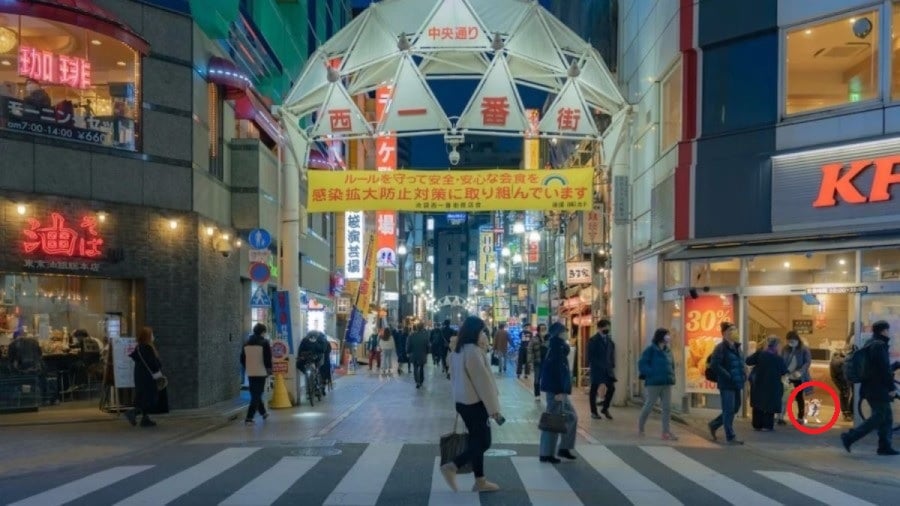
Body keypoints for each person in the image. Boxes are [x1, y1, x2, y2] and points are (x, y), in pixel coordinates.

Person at [441, 316, 502, 493]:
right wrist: (494, 409)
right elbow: (483, 383)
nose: (483, 334)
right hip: (475, 404)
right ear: (475, 331)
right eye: (482, 331)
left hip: (462, 402)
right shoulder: (473, 352)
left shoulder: (457, 350)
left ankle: (480, 481)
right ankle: (452, 466)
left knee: (476, 441)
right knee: (484, 442)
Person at [841, 320, 900, 455]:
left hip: (871, 387)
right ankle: (850, 437)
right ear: (884, 331)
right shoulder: (879, 346)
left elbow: (876, 368)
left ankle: (884, 446)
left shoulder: (871, 343)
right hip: (877, 389)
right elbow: (883, 370)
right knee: (878, 417)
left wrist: (895, 365)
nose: (889, 332)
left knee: (886, 418)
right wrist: (891, 388)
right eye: (888, 330)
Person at [539, 322, 578, 463]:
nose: (567, 333)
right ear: (559, 333)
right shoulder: (555, 347)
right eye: (564, 331)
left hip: (560, 390)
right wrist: (559, 391)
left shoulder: (560, 346)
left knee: (571, 417)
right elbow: (554, 371)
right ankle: (546, 453)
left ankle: (564, 448)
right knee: (553, 421)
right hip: (556, 390)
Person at [708, 322, 746, 444]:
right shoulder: (720, 348)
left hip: (737, 383)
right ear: (724, 333)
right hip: (726, 383)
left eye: (735, 329)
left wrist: (744, 374)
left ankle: (714, 424)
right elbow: (715, 364)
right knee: (729, 409)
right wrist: (728, 375)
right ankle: (730, 436)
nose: (734, 332)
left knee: (735, 408)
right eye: (731, 330)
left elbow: (740, 363)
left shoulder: (737, 347)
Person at [637, 328, 677, 439]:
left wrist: (672, 375)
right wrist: (651, 373)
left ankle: (666, 432)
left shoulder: (668, 351)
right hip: (653, 383)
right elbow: (642, 364)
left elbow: (672, 365)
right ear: (660, 336)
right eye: (666, 335)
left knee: (667, 407)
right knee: (649, 405)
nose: (668, 337)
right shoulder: (650, 350)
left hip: (666, 382)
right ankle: (641, 427)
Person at [746, 335, 788, 431]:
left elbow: (748, 361)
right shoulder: (778, 358)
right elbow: (784, 371)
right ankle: (767, 425)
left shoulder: (760, 354)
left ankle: (757, 424)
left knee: (758, 403)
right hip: (773, 385)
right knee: (770, 405)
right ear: (777, 345)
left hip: (758, 383)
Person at [125, 327, 162, 428]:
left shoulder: (138, 348)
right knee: (150, 398)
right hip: (148, 377)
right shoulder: (147, 348)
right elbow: (153, 363)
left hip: (140, 376)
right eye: (152, 334)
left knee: (143, 397)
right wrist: (159, 368)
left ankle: (145, 419)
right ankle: (133, 412)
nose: (153, 336)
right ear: (148, 336)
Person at [240, 323, 272, 426]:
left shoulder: (246, 343)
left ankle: (263, 413)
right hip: (261, 371)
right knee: (257, 394)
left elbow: (242, 358)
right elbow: (267, 358)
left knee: (255, 393)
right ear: (263, 332)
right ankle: (249, 417)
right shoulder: (264, 342)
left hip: (250, 371)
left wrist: (248, 366)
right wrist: (269, 370)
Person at [779, 330, 811, 425]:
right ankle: (780, 416)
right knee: (784, 397)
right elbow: (781, 360)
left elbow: (807, 362)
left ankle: (800, 417)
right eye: (789, 341)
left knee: (799, 397)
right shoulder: (785, 348)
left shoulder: (804, 349)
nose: (790, 343)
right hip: (787, 376)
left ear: (797, 339)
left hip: (798, 377)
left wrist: (801, 372)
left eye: (792, 340)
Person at [587, 319, 616, 420]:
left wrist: (612, 365)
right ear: (599, 328)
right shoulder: (593, 340)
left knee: (611, 388)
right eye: (605, 328)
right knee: (594, 390)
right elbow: (590, 356)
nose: (607, 330)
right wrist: (598, 365)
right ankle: (594, 412)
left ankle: (605, 408)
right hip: (597, 369)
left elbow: (611, 354)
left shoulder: (609, 341)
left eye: (608, 328)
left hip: (607, 369)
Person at [830, 337, 853, 421]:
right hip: (842, 377)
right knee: (845, 393)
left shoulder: (840, 357)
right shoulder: (841, 359)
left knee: (846, 393)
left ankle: (848, 412)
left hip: (843, 376)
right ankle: (847, 412)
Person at [529, 323, 548, 402]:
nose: (543, 330)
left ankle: (548, 395)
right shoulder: (534, 339)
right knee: (537, 379)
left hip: (547, 362)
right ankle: (537, 394)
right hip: (537, 361)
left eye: (545, 329)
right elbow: (529, 350)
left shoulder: (549, 338)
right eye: (542, 329)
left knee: (547, 379)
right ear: (538, 330)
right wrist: (530, 361)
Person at [407, 323, 430, 388]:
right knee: (421, 367)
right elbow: (428, 345)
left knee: (415, 367)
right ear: (422, 328)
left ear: (417, 328)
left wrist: (408, 352)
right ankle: (421, 380)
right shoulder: (425, 335)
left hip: (414, 354)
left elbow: (408, 345)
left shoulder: (411, 335)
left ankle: (417, 381)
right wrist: (427, 352)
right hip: (422, 354)